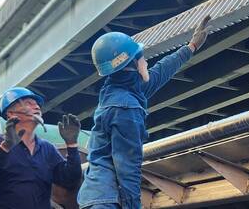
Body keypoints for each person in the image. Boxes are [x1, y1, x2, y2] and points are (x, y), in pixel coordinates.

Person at [76, 17, 211, 209]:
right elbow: (127, 167)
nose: (146, 61)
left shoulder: (117, 91)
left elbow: (160, 72)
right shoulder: (126, 108)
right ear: (132, 63)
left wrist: (190, 47)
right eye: (142, 56)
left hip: (97, 195)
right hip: (108, 201)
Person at [0, 87, 83, 209]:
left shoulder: (47, 149)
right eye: (29, 104)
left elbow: (70, 180)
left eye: (37, 105)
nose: (37, 107)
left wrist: (72, 145)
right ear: (11, 114)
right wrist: (5, 146)